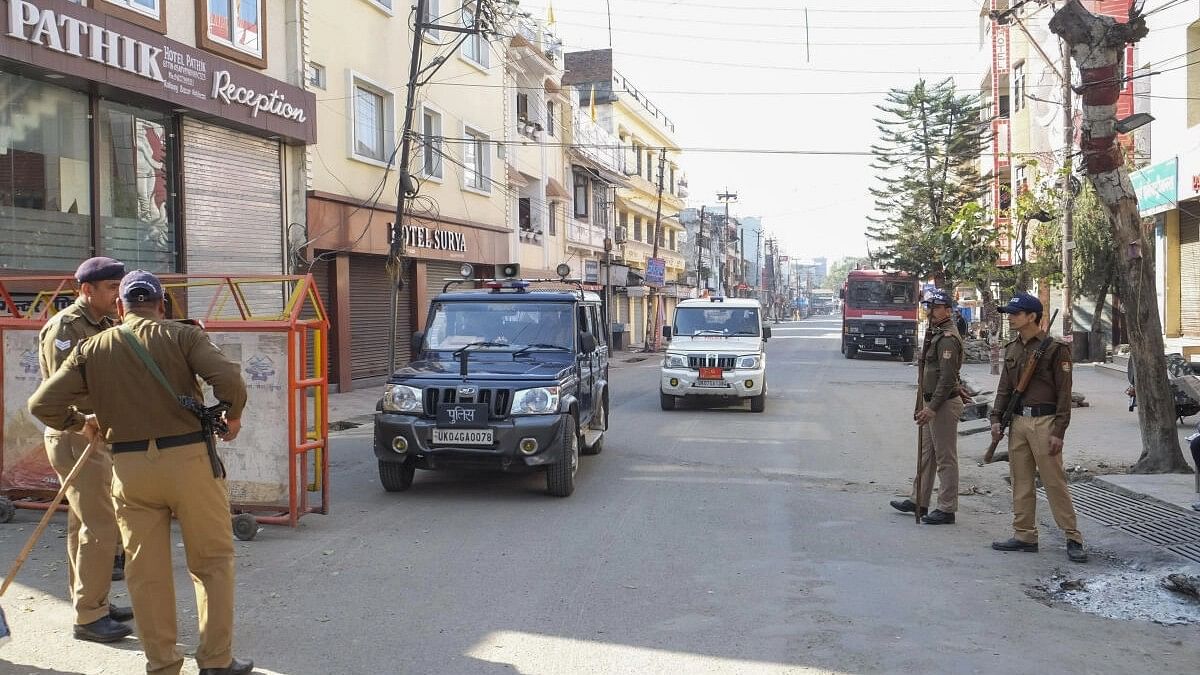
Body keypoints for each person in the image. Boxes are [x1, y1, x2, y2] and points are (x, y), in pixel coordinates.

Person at [29, 271, 254, 675]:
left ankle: (163, 664)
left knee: (145, 571)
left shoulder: (92, 348)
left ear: (121, 308)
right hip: (190, 464)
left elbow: (43, 404)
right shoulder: (183, 336)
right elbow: (230, 380)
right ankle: (217, 661)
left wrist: (83, 422)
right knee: (212, 563)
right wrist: (232, 419)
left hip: (129, 469)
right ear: (161, 305)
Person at [37, 257, 132, 643]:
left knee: (84, 524)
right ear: (87, 290)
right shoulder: (67, 328)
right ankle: (89, 618)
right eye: (111, 288)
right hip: (76, 435)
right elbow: (58, 394)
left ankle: (91, 601)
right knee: (100, 524)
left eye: (119, 287)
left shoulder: (106, 323)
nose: (117, 295)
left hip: (96, 435)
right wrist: (82, 423)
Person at [989, 292, 1087, 563]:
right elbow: (1005, 388)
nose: (1010, 317)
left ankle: (1072, 537)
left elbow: (1064, 394)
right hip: (1018, 421)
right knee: (1021, 481)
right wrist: (996, 419)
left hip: (1045, 422)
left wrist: (1059, 431)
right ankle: (1024, 535)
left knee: (1054, 482)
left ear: (1032, 316)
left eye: (1015, 313)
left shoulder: (1055, 349)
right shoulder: (1013, 348)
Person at [890, 288, 964, 524]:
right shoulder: (934, 333)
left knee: (945, 458)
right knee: (926, 455)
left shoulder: (948, 338)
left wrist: (931, 407)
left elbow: (947, 379)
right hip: (930, 401)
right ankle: (918, 500)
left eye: (935, 307)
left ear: (948, 310)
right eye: (928, 307)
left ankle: (946, 508)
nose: (930, 311)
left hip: (942, 404)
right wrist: (920, 404)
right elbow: (925, 376)